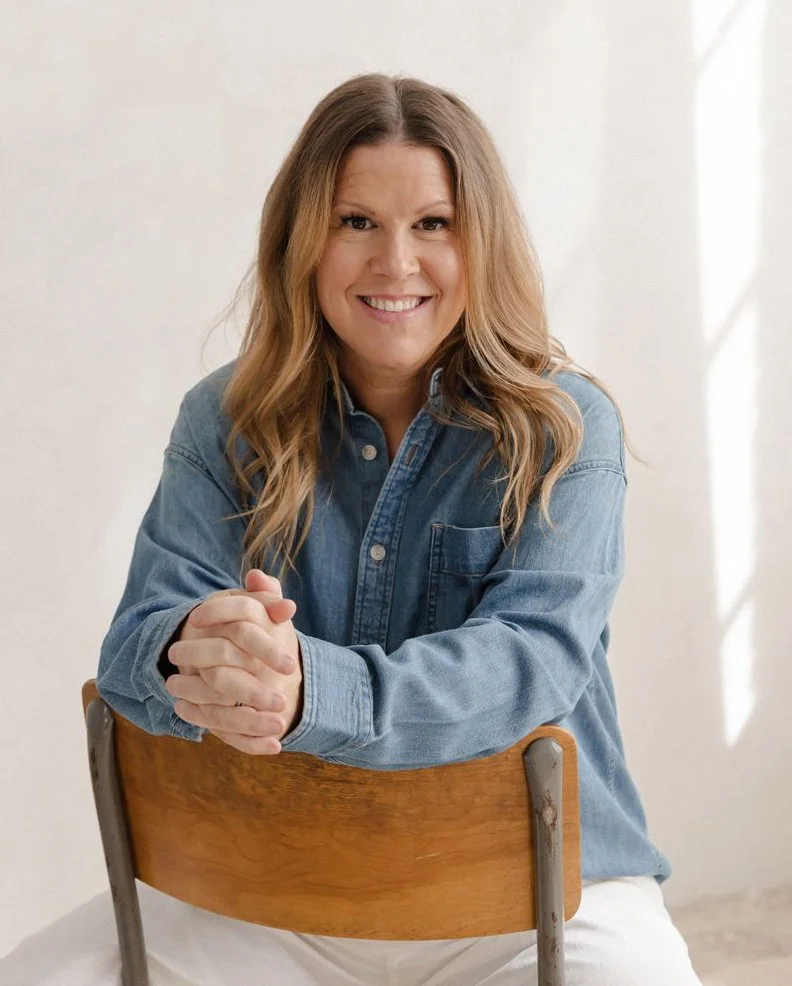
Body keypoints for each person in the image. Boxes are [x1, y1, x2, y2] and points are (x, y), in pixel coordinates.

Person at [2, 74, 702, 985]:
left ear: (479, 241)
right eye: (356, 222)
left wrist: (311, 691)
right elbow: (138, 642)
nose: (395, 264)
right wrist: (202, 650)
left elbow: (535, 658)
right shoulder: (223, 420)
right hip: (275, 885)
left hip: (539, 896)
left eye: (433, 225)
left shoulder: (565, 426)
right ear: (305, 239)